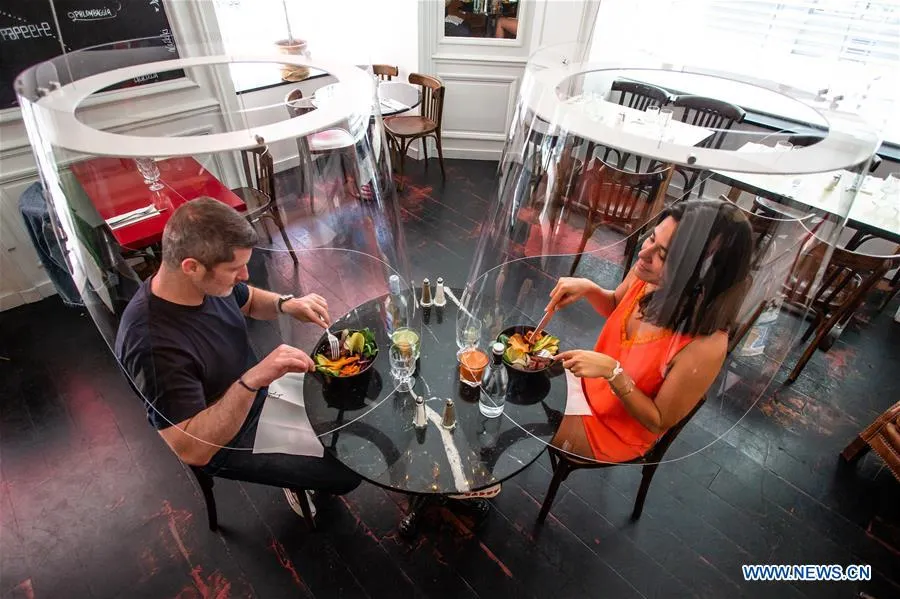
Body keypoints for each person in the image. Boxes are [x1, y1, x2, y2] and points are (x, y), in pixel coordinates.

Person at [115, 198, 361, 518]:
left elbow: (249, 300)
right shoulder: (152, 345)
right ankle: (291, 479)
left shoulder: (206, 285)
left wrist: (287, 304)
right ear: (191, 266)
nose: (245, 275)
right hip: (224, 437)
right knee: (349, 472)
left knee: (351, 404)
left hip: (258, 389)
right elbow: (193, 449)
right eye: (234, 269)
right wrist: (253, 380)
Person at [545, 199, 752, 463]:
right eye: (652, 238)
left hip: (614, 431)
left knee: (523, 416)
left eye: (663, 255)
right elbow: (616, 305)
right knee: (514, 379)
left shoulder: (706, 346)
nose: (643, 255)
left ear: (700, 276)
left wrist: (614, 373)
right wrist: (590, 289)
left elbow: (658, 420)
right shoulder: (648, 274)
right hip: (588, 386)